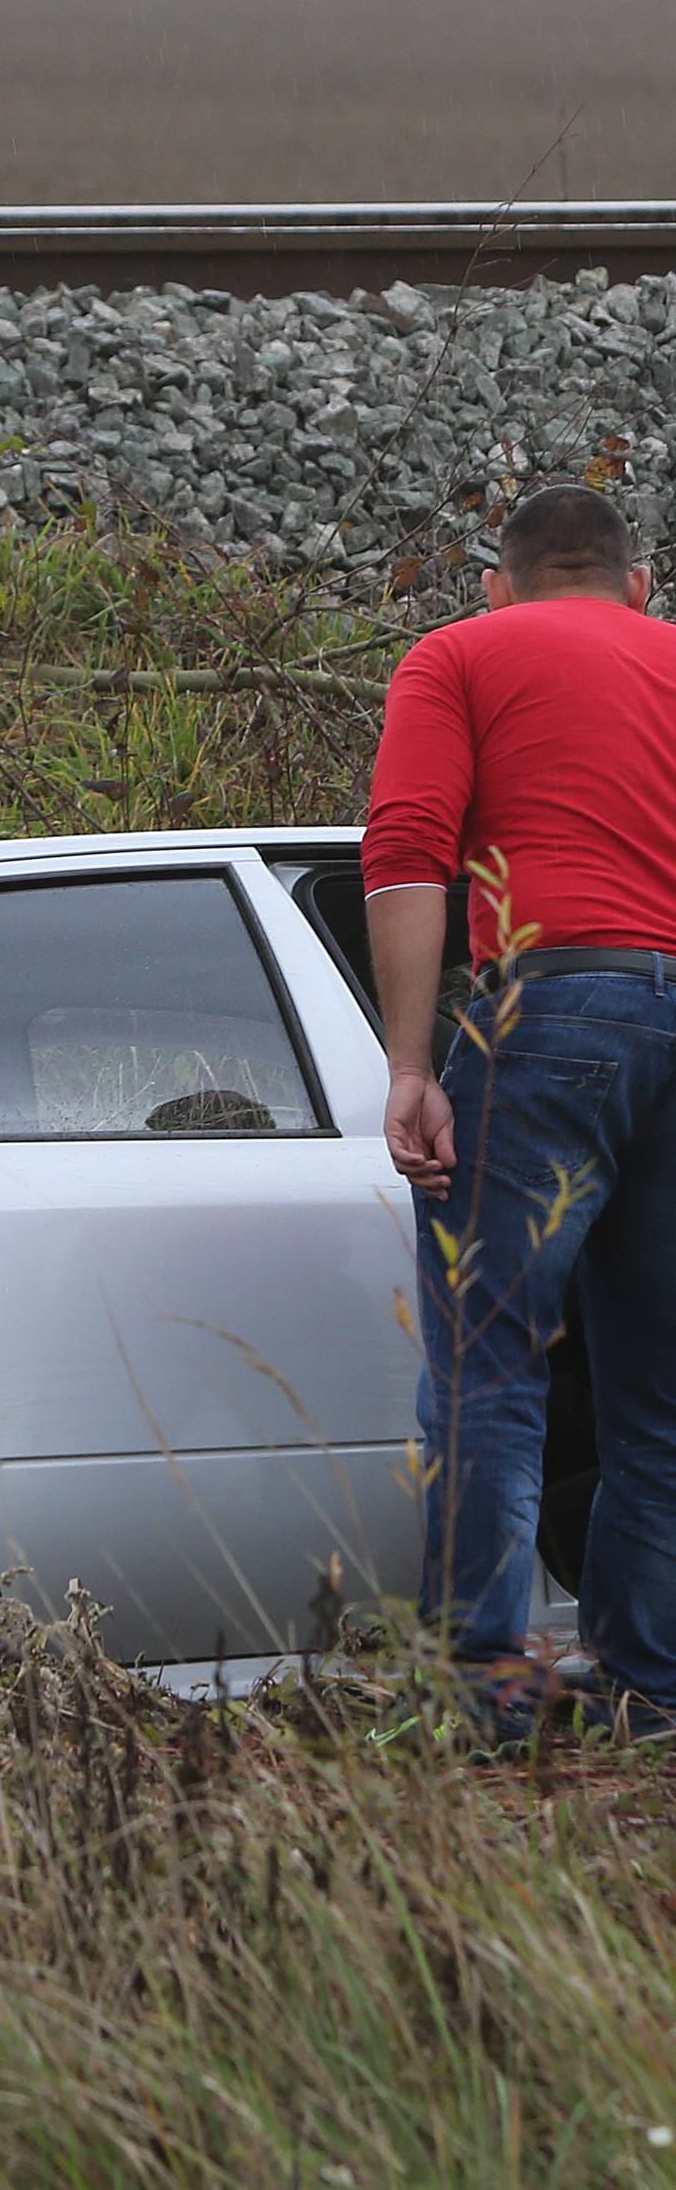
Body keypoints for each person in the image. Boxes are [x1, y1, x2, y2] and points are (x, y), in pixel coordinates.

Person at [363, 482, 676, 1737]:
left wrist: (408, 1064)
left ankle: (488, 1689)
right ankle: (656, 1683)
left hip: (551, 1018)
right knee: (660, 1391)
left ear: (498, 584)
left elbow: (405, 846)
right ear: (639, 585)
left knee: (491, 1371)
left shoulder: (458, 652)